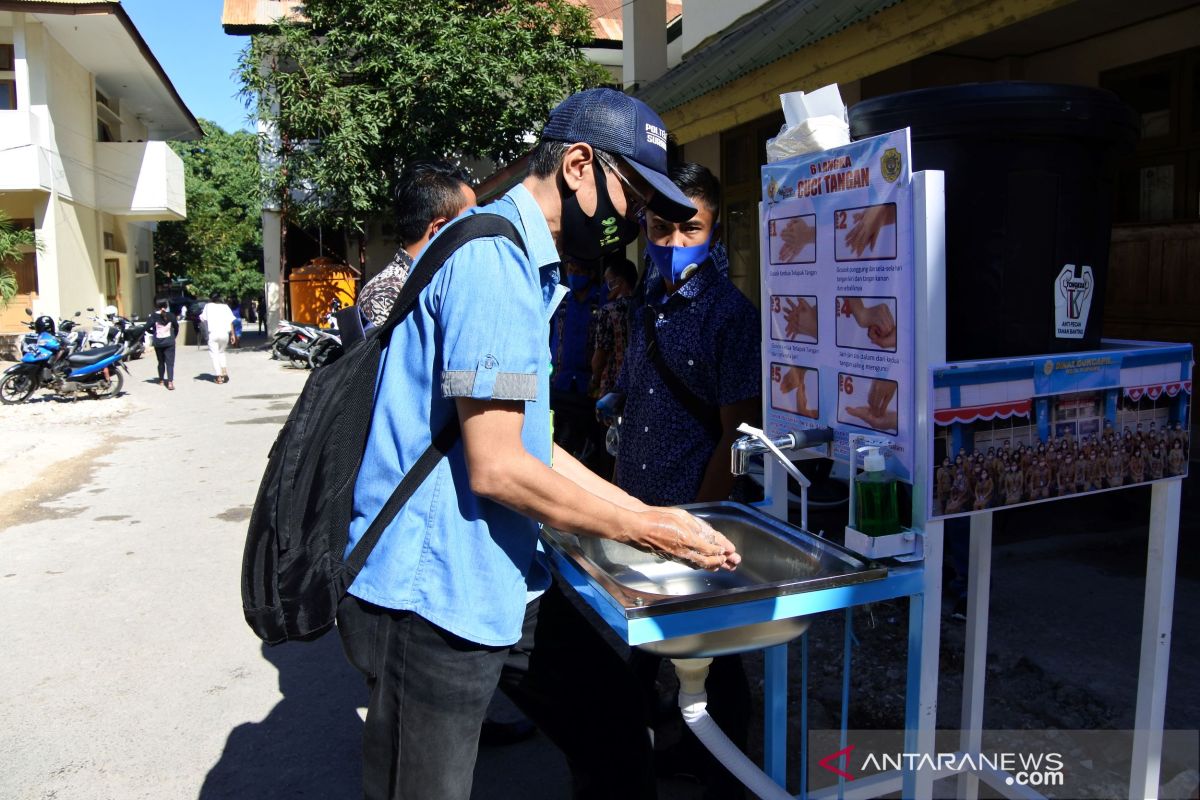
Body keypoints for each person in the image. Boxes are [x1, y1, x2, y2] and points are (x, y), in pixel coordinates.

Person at [336, 88, 739, 800]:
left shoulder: (524, 262)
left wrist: (654, 520)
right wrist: (640, 525)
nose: (635, 225)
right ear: (580, 166)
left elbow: (535, 444)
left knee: (615, 732)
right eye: (633, 198)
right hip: (433, 592)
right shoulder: (494, 264)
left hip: (503, 574)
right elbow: (497, 467)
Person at [602, 161, 760, 798]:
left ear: (715, 233)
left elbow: (737, 434)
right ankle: (636, 760)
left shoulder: (730, 317)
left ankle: (724, 773)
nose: (671, 244)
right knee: (638, 649)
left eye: (688, 229)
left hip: (692, 517)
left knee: (713, 654)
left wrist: (700, 524)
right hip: (633, 509)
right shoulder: (645, 301)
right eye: (660, 228)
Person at [357, 159, 476, 327]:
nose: (476, 232)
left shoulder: (434, 282)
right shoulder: (387, 295)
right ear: (440, 228)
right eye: (469, 222)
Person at [550, 259, 607, 468]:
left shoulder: (601, 300)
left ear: (591, 274)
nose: (574, 275)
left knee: (589, 446)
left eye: (579, 271)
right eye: (571, 270)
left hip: (590, 385)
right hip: (561, 381)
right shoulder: (562, 300)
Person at [199, 293, 235, 384]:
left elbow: (202, 319)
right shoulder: (225, 307)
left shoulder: (208, 306)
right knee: (221, 352)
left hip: (213, 334)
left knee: (214, 355)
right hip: (224, 334)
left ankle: (219, 377)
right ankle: (224, 372)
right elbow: (230, 321)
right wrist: (233, 335)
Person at [147, 297, 178, 390]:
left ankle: (161, 380)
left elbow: (147, 327)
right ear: (166, 305)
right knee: (170, 363)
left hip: (158, 343)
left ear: (156, 306)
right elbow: (176, 327)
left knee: (161, 362)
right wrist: (173, 337)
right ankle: (170, 382)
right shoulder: (171, 315)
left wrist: (154, 333)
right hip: (169, 342)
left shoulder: (152, 316)